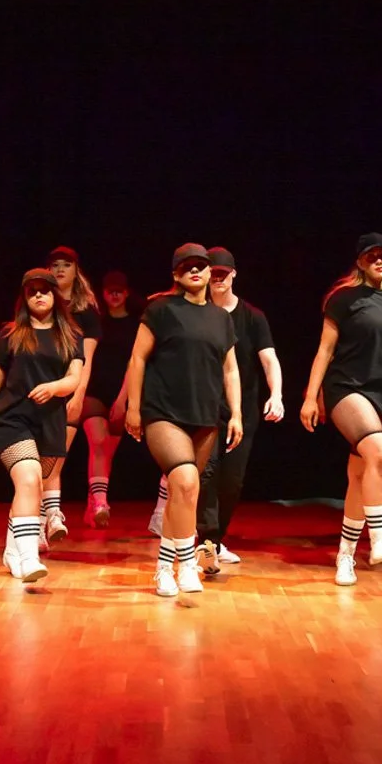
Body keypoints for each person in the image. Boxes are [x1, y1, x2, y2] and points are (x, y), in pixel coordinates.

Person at [125, 244, 241, 597]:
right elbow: (138, 358)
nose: (195, 272)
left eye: (201, 267)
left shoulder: (221, 318)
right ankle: (176, 566)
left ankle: (173, 565)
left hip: (205, 415)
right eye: (187, 267)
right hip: (163, 412)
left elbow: (230, 368)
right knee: (186, 479)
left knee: (185, 491)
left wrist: (236, 412)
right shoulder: (160, 310)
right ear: (176, 274)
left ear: (209, 273)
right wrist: (133, 407)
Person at [301, 233, 382, 586]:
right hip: (346, 388)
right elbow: (324, 351)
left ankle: (345, 555)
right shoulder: (344, 299)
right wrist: (310, 396)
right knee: (378, 451)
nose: (379, 261)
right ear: (360, 262)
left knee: (358, 475)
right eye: (371, 256)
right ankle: (379, 538)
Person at [0, 269, 85, 582]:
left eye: (44, 290)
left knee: (31, 488)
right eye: (32, 291)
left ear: (55, 295)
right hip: (11, 418)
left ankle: (12, 551)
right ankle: (29, 556)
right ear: (24, 297)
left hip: (49, 423)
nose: (38, 295)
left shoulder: (71, 336)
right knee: (30, 478)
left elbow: (75, 378)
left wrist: (55, 387)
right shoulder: (11, 334)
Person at [191, 248, 283, 573]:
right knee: (206, 472)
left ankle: (214, 541)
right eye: (212, 273)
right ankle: (206, 541)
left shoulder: (252, 317)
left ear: (234, 275)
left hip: (242, 409)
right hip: (202, 406)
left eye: (222, 274)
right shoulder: (196, 313)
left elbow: (269, 358)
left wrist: (277, 395)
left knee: (232, 481)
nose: (217, 280)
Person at [44, 246, 102, 542]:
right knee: (37, 460)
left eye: (67, 265)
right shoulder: (40, 304)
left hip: (69, 390)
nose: (60, 270)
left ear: (76, 270)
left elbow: (87, 359)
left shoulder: (86, 312)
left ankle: (51, 517)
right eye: (55, 265)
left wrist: (78, 394)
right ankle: (41, 519)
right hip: (38, 387)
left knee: (55, 457)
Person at [82, 270, 138, 528]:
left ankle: (93, 501)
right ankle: (102, 502)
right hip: (94, 391)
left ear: (126, 293)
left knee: (108, 452)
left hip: (121, 394)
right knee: (97, 441)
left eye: (119, 290)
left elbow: (134, 364)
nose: (114, 295)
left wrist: (123, 400)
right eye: (109, 291)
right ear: (102, 294)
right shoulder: (96, 322)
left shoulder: (136, 325)